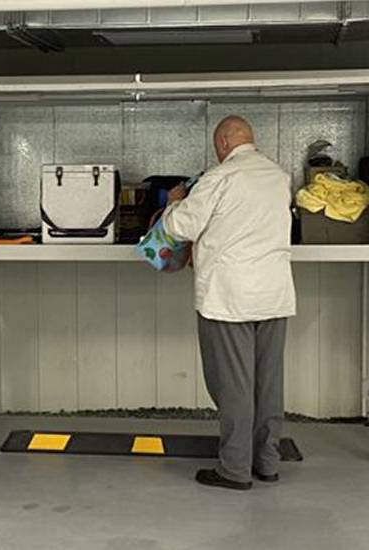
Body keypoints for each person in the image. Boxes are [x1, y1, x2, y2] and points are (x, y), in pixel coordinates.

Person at [161, 115, 296, 491]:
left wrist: (174, 204)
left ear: (222, 143)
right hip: (274, 294)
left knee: (233, 385)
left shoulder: (219, 178)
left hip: (230, 297)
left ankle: (235, 469)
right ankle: (267, 462)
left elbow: (180, 228)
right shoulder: (278, 176)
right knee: (268, 384)